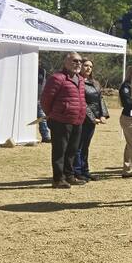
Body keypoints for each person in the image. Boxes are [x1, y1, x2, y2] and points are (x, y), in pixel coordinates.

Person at [40, 52, 87, 188]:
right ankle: (58, 178)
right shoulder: (57, 78)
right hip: (60, 120)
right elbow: (45, 100)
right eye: (74, 61)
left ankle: (69, 175)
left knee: (72, 150)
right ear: (65, 62)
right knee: (60, 151)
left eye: (80, 61)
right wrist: (52, 114)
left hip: (77, 120)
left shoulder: (81, 80)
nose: (78, 63)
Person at [73, 59, 109, 181]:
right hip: (82, 118)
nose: (88, 68)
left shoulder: (95, 82)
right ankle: (77, 171)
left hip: (93, 120)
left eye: (91, 66)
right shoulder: (77, 81)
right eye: (86, 65)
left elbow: (101, 98)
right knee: (78, 146)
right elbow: (82, 102)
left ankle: (85, 170)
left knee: (85, 146)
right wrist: (93, 118)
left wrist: (103, 114)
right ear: (80, 66)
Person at [118, 64, 132, 178]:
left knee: (130, 144)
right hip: (129, 118)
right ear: (131, 73)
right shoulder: (125, 87)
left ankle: (127, 169)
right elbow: (128, 103)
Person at [36, 63, 50, 142]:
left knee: (42, 117)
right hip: (27, 98)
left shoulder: (42, 71)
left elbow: (42, 84)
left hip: (39, 98)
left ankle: (45, 136)